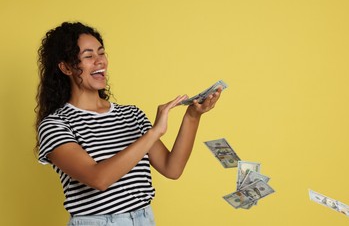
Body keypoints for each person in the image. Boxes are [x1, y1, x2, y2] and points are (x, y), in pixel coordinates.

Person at [35, 22, 222, 226]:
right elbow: (99, 179)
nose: (100, 62)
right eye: (88, 56)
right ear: (66, 67)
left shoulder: (131, 115)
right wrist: (153, 133)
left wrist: (192, 116)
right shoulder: (55, 125)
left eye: (101, 53)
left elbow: (172, 168)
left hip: (144, 219)